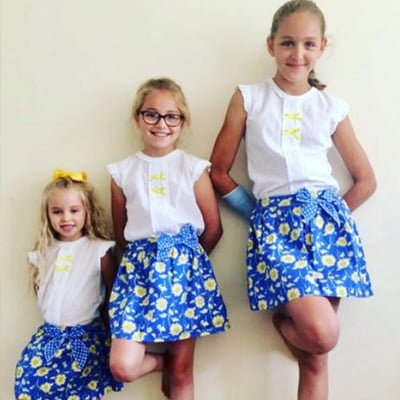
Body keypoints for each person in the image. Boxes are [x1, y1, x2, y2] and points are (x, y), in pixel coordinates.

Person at [210, 1, 376, 399]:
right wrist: (257, 215)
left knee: (316, 358)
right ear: (271, 45)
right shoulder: (249, 98)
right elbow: (218, 171)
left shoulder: (331, 107)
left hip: (329, 230)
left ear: (322, 47)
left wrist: (332, 215)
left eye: (308, 44)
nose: (297, 54)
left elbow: (366, 181)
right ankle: (283, 324)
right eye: (287, 43)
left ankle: (291, 330)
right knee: (323, 334)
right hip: (276, 231)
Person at [107, 77, 229, 399]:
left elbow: (213, 228)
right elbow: (121, 233)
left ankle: (174, 365)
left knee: (181, 372)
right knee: (122, 366)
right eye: (152, 115)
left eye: (172, 116)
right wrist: (149, 261)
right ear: (138, 118)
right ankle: (163, 362)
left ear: (182, 121)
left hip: (185, 274)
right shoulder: (122, 173)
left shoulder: (193, 168)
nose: (161, 124)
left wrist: (185, 262)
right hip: (138, 276)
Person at [14, 170, 123, 400]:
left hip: (85, 335)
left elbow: (114, 294)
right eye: (57, 211)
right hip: (50, 336)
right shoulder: (42, 254)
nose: (66, 218)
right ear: (47, 214)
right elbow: (43, 292)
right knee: (27, 381)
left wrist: (111, 333)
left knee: (80, 391)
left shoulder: (98, 250)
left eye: (74, 210)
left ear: (87, 211)